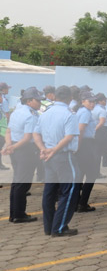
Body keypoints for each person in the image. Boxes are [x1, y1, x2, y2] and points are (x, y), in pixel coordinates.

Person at [33, 85, 80, 236]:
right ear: (69, 98)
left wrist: (43, 148)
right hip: (63, 156)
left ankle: (49, 226)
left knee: (49, 191)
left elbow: (36, 133)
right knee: (69, 191)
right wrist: (54, 149)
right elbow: (69, 136)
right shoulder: (69, 114)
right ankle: (59, 227)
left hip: (48, 156)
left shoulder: (45, 112)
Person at [2, 86, 41, 223]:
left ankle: (14, 213)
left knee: (17, 182)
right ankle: (19, 214)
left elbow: (8, 131)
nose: (40, 103)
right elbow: (27, 138)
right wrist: (12, 146)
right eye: (38, 100)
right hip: (25, 150)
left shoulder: (16, 112)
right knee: (23, 183)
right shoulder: (30, 115)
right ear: (29, 101)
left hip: (16, 149)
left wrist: (9, 146)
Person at [75, 92, 100, 212]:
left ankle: (77, 201)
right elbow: (81, 130)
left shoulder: (82, 111)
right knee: (91, 174)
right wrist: (78, 147)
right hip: (85, 144)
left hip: (84, 144)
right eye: (89, 101)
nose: (92, 103)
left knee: (80, 174)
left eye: (94, 101)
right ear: (83, 101)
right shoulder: (85, 112)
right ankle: (82, 203)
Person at [92, 93, 107, 168]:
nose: (106, 102)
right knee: (99, 152)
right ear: (100, 101)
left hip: (96, 130)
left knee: (96, 151)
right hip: (101, 131)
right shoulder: (102, 110)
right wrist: (95, 130)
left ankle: (95, 170)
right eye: (104, 100)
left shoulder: (93, 108)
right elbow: (102, 122)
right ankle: (96, 171)